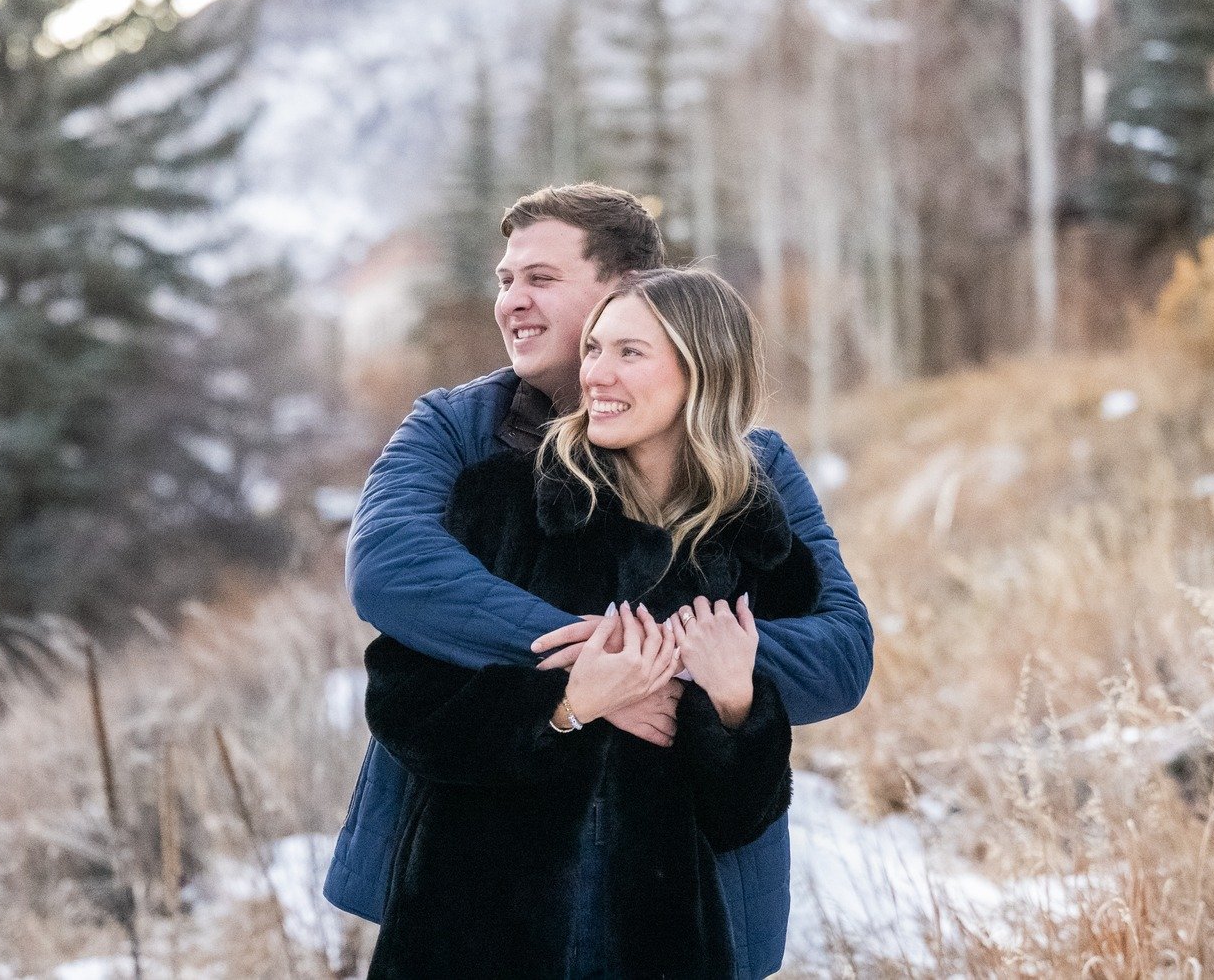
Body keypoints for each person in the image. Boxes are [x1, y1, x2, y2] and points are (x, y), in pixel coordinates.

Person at [324, 183, 873, 979]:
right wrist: (590, 669)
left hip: (682, 910)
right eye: (505, 279)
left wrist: (693, 673)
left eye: (541, 278)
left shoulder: (754, 484)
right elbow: (388, 574)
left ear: (633, 288)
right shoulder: (466, 441)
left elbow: (840, 649)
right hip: (480, 900)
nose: (512, 300)